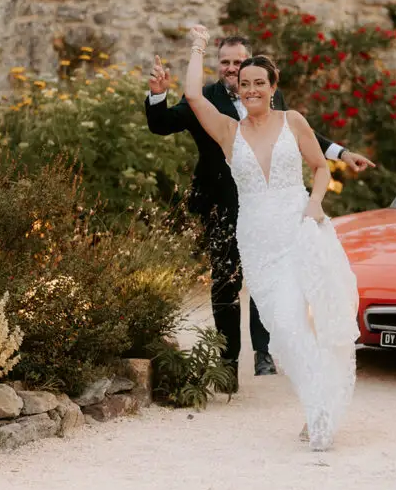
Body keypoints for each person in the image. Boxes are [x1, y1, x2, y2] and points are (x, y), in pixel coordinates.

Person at [145, 35, 373, 390]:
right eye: (226, 62)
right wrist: (160, 90)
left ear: (259, 74)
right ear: (218, 65)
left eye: (239, 63)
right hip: (225, 209)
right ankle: (228, 365)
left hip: (283, 214)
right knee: (226, 285)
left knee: (277, 289)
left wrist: (341, 154)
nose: (233, 70)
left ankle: (265, 352)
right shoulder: (209, 102)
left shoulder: (271, 98)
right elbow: (162, 123)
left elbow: (300, 136)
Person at [183, 25, 359, 450]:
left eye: (260, 83)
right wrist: (198, 45)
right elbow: (191, 96)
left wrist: (316, 203)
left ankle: (320, 413)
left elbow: (320, 168)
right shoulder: (229, 132)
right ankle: (318, 402)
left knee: (309, 323)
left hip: (299, 230)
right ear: (238, 90)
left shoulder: (292, 121)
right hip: (259, 242)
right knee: (284, 327)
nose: (252, 90)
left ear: (273, 86)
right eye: (245, 85)